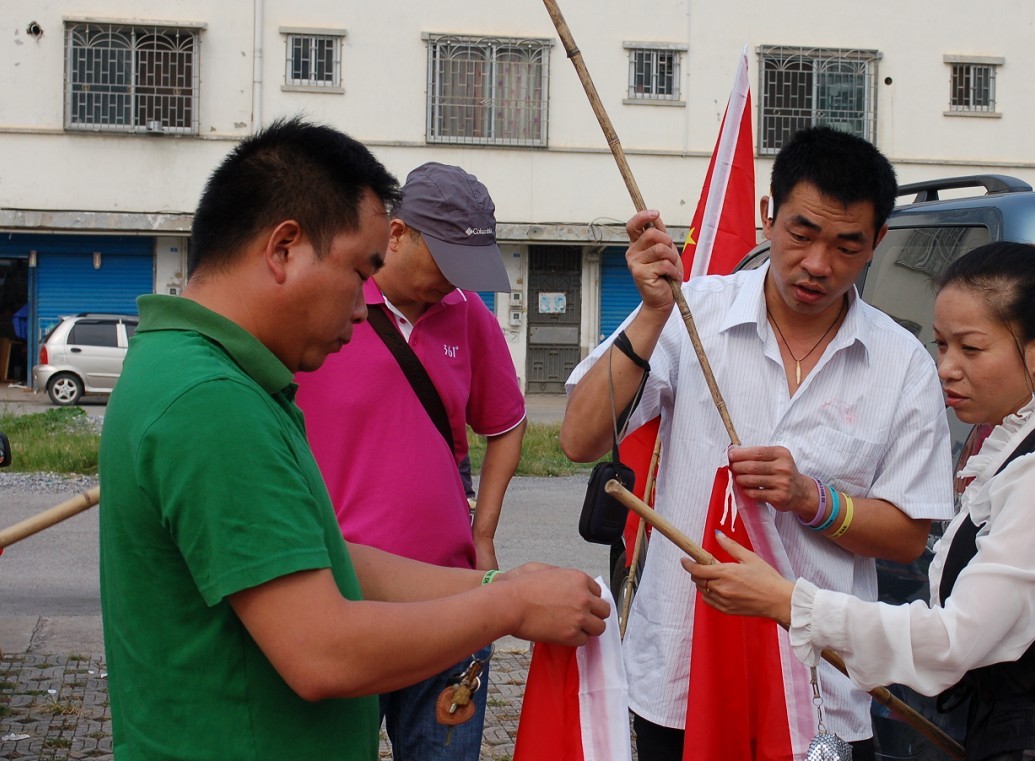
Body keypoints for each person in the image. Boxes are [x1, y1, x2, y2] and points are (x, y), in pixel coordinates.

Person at [98, 118, 609, 761]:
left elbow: (330, 559)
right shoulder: (212, 402)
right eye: (358, 270)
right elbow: (322, 651)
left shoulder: (216, 375)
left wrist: (494, 585)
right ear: (284, 249)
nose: (362, 306)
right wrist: (507, 607)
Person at [560, 126, 954, 759]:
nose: (819, 264)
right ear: (768, 217)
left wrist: (813, 500)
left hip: (822, 683)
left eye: (847, 244)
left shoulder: (901, 364)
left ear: (878, 242)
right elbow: (579, 438)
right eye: (802, 234)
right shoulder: (694, 314)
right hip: (679, 674)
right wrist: (653, 311)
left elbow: (908, 534)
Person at [685, 238, 1035, 760]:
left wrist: (787, 600)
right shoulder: (1017, 453)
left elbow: (955, 639)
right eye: (941, 345)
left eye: (970, 349)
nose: (946, 368)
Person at [295, 161, 525, 760]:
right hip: (344, 595)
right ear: (397, 235)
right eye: (445, 264)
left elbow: (506, 425)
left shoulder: (470, 316)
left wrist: (485, 531)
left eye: (466, 271)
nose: (453, 283)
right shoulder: (326, 308)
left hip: (450, 597)